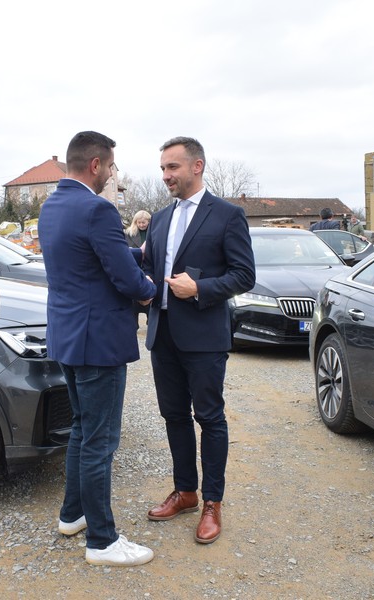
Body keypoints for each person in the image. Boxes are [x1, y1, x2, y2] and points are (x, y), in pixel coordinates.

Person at [38, 131, 157, 567]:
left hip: (68, 336)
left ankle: (73, 514)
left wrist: (136, 255)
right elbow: (123, 277)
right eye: (110, 166)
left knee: (82, 430)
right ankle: (103, 541)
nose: (111, 173)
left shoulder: (52, 206)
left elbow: (89, 260)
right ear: (95, 165)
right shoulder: (98, 209)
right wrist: (149, 289)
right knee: (100, 440)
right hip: (98, 341)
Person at [142, 137, 255, 544]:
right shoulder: (159, 219)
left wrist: (201, 288)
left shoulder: (227, 215)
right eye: (162, 168)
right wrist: (143, 287)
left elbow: (244, 275)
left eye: (172, 167)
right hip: (163, 334)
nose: (166, 176)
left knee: (210, 418)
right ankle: (185, 492)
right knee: (174, 416)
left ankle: (212, 502)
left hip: (204, 337)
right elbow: (150, 267)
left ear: (197, 166)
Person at [124, 210, 152, 326]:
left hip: (149, 269)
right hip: (134, 269)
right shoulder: (128, 234)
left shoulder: (154, 232)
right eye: (139, 222)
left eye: (143, 222)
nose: (141, 225)